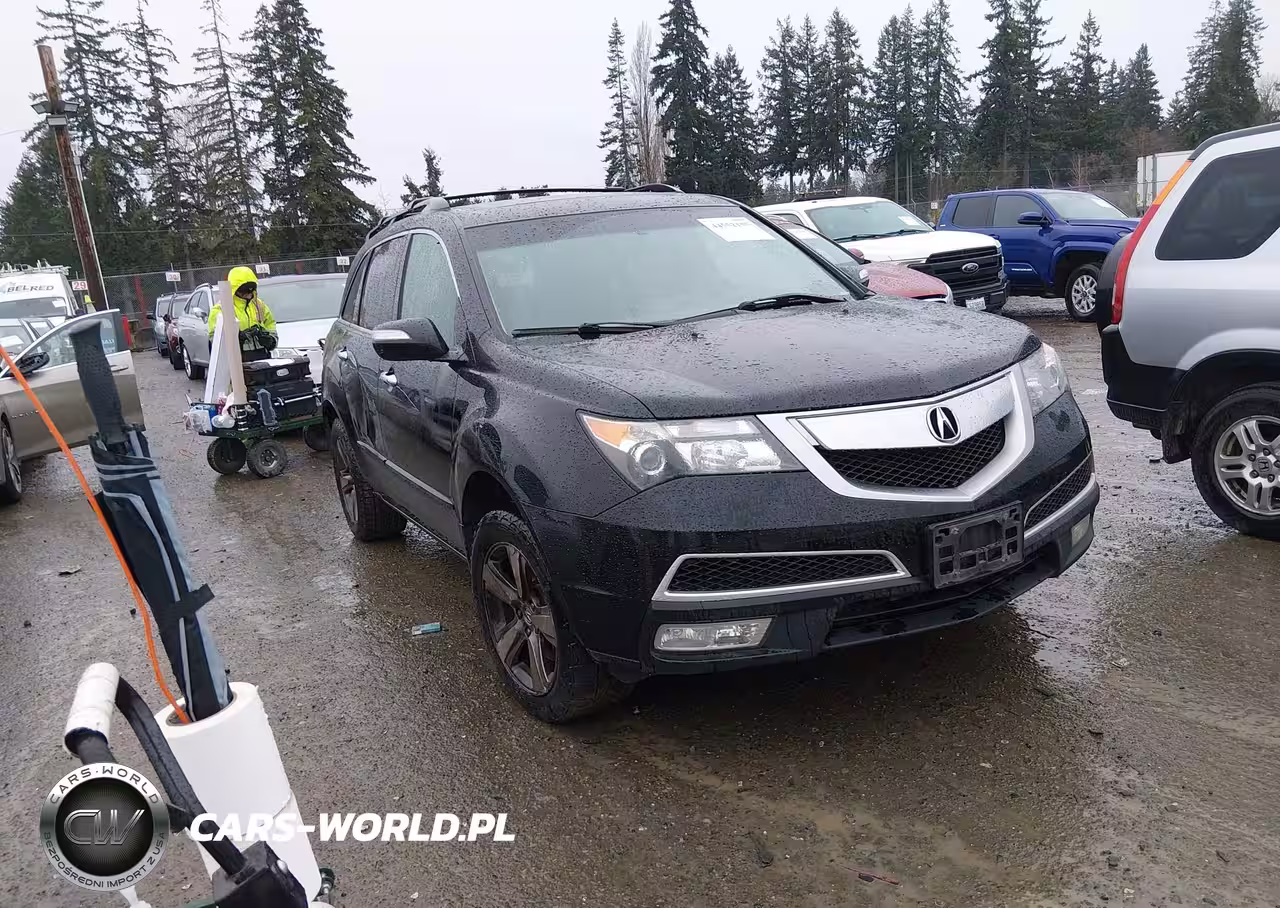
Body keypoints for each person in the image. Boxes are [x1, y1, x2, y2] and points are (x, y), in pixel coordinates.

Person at [209, 266, 277, 362]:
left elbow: (270, 325)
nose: (249, 293)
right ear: (235, 289)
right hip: (236, 364)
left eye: (251, 289)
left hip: (262, 360)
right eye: (244, 290)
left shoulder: (259, 305)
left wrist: (270, 340)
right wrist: (237, 338)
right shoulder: (221, 309)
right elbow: (215, 339)